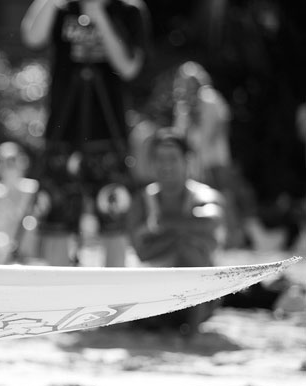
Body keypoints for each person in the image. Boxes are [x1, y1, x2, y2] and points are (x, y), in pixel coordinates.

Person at [128, 128, 303, 334]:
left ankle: (192, 330)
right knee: (186, 247)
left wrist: (163, 230)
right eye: (160, 159)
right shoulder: (142, 200)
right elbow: (141, 251)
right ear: (152, 163)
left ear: (187, 161)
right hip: (157, 295)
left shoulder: (203, 195)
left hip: (201, 294)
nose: (166, 165)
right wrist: (180, 232)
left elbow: (211, 220)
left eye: (172, 158)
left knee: (189, 251)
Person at [21, 0, 149, 267]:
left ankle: (113, 298)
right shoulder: (60, 7)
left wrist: (99, 17)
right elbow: (32, 37)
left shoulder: (128, 10)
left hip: (108, 133)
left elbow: (129, 67)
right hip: (62, 133)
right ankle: (58, 300)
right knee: (56, 223)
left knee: (113, 222)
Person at [172, 61, 262, 249]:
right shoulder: (183, 106)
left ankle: (233, 237)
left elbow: (220, 123)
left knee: (225, 196)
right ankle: (211, 238)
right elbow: (179, 134)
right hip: (195, 162)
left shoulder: (210, 98)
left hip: (216, 158)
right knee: (202, 200)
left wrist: (204, 146)